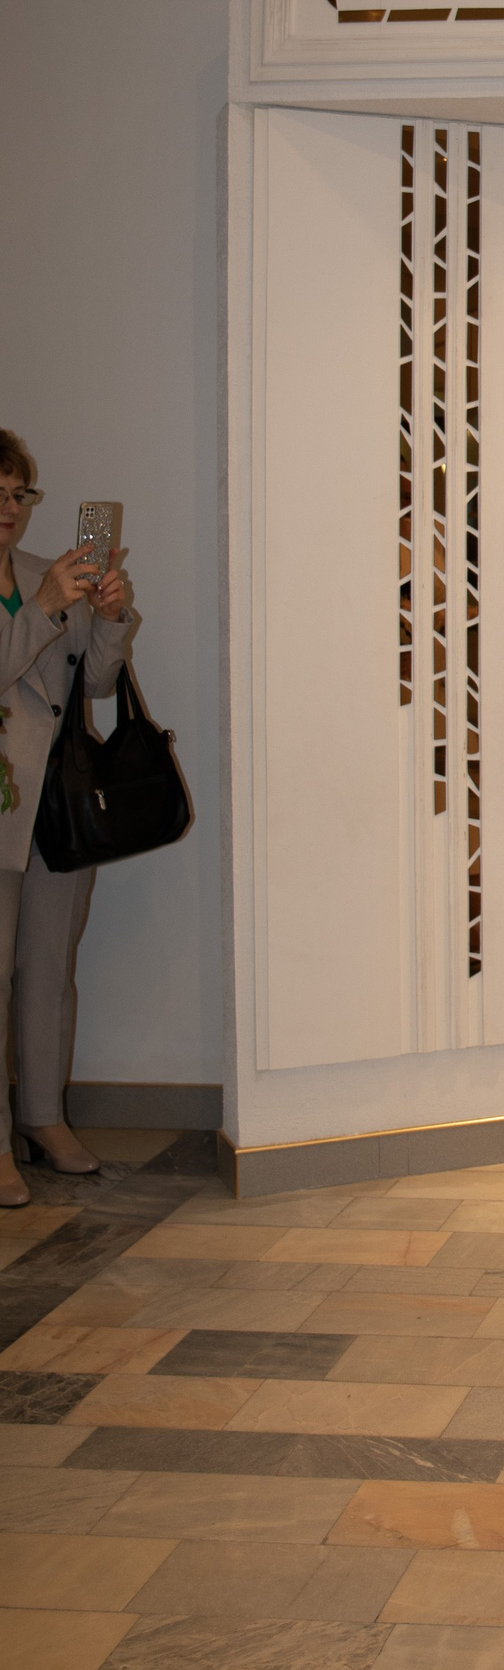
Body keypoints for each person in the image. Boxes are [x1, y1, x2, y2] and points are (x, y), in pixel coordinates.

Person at [0, 430, 135, 1208]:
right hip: (2, 801)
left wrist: (109, 615)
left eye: (18, 493)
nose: (10, 507)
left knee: (49, 970)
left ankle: (44, 1118)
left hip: (57, 803)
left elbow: (100, 680)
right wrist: (44, 607)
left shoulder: (39, 572)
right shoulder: (40, 589)